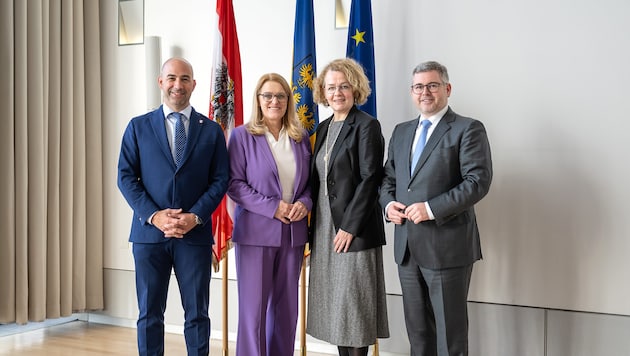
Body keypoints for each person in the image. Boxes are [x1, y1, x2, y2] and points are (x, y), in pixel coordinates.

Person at [379, 60, 493, 356]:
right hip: (407, 248)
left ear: (447, 88)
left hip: (447, 247)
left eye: (432, 85)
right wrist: (389, 204)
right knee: (418, 334)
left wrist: (430, 209)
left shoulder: (468, 129)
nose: (425, 92)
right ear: (412, 91)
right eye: (419, 86)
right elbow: (388, 178)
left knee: (450, 335)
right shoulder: (402, 132)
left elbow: (477, 182)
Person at [117, 57, 229, 356]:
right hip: (149, 236)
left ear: (193, 84)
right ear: (161, 82)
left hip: (194, 237)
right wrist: (154, 216)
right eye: (171, 78)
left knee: (197, 315)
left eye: (184, 78)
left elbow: (220, 180)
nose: (177, 85)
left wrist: (195, 216)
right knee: (150, 314)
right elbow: (126, 177)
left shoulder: (212, 130)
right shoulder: (138, 126)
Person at [306, 58, 389, 356]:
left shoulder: (367, 125)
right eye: (331, 87)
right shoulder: (324, 127)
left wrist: (349, 228)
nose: (337, 92)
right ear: (322, 92)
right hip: (325, 228)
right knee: (338, 312)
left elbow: (371, 179)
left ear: (355, 88)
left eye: (343, 86)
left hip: (354, 229)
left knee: (355, 310)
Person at [227, 73, 312, 356]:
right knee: (254, 312)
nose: (274, 101)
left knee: (287, 311)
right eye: (268, 96)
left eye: (280, 96)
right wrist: (273, 207)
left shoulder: (301, 139)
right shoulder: (242, 135)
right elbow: (234, 185)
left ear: (289, 101)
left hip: (293, 233)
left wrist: (305, 203)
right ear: (258, 100)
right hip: (255, 233)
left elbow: (311, 184)